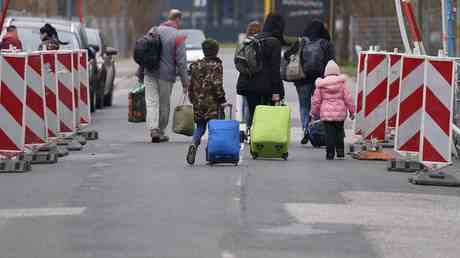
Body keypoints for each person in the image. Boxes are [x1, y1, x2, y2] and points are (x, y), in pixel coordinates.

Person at [287, 20, 335, 145]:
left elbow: (287, 55)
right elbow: (332, 63)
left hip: (302, 80)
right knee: (318, 105)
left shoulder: (301, 42)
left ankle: (305, 130)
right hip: (321, 81)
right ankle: (316, 131)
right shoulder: (326, 44)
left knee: (304, 106)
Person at [145, 9, 189, 143]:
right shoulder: (178, 36)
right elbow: (181, 62)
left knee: (152, 102)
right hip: (166, 75)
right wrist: (185, 82)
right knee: (164, 104)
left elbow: (145, 51)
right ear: (178, 19)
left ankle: (153, 129)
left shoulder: (153, 30)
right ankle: (161, 131)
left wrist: (140, 72)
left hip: (150, 72)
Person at [236, 13, 285, 129]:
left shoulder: (253, 40)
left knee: (253, 115)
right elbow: (275, 71)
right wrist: (278, 91)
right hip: (266, 87)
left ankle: (252, 137)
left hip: (248, 84)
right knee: (266, 116)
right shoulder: (274, 43)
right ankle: (262, 139)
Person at [186, 39, 226, 165]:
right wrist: (222, 99)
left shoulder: (196, 65)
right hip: (212, 103)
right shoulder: (216, 65)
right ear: (216, 51)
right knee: (214, 128)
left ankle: (194, 143)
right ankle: (211, 154)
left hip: (198, 102)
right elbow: (217, 85)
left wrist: (193, 99)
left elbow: (191, 85)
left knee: (200, 127)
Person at [311, 60, 355, 160]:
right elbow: (348, 99)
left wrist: (313, 113)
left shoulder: (321, 85)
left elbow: (316, 101)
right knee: (339, 132)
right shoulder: (342, 84)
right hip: (340, 113)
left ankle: (329, 154)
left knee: (329, 134)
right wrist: (352, 111)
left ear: (326, 72)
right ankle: (340, 153)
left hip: (326, 114)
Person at [240, 21, 261, 131]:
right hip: (256, 77)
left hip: (244, 77)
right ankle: (251, 127)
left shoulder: (243, 43)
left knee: (245, 104)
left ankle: (245, 128)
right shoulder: (259, 43)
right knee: (253, 105)